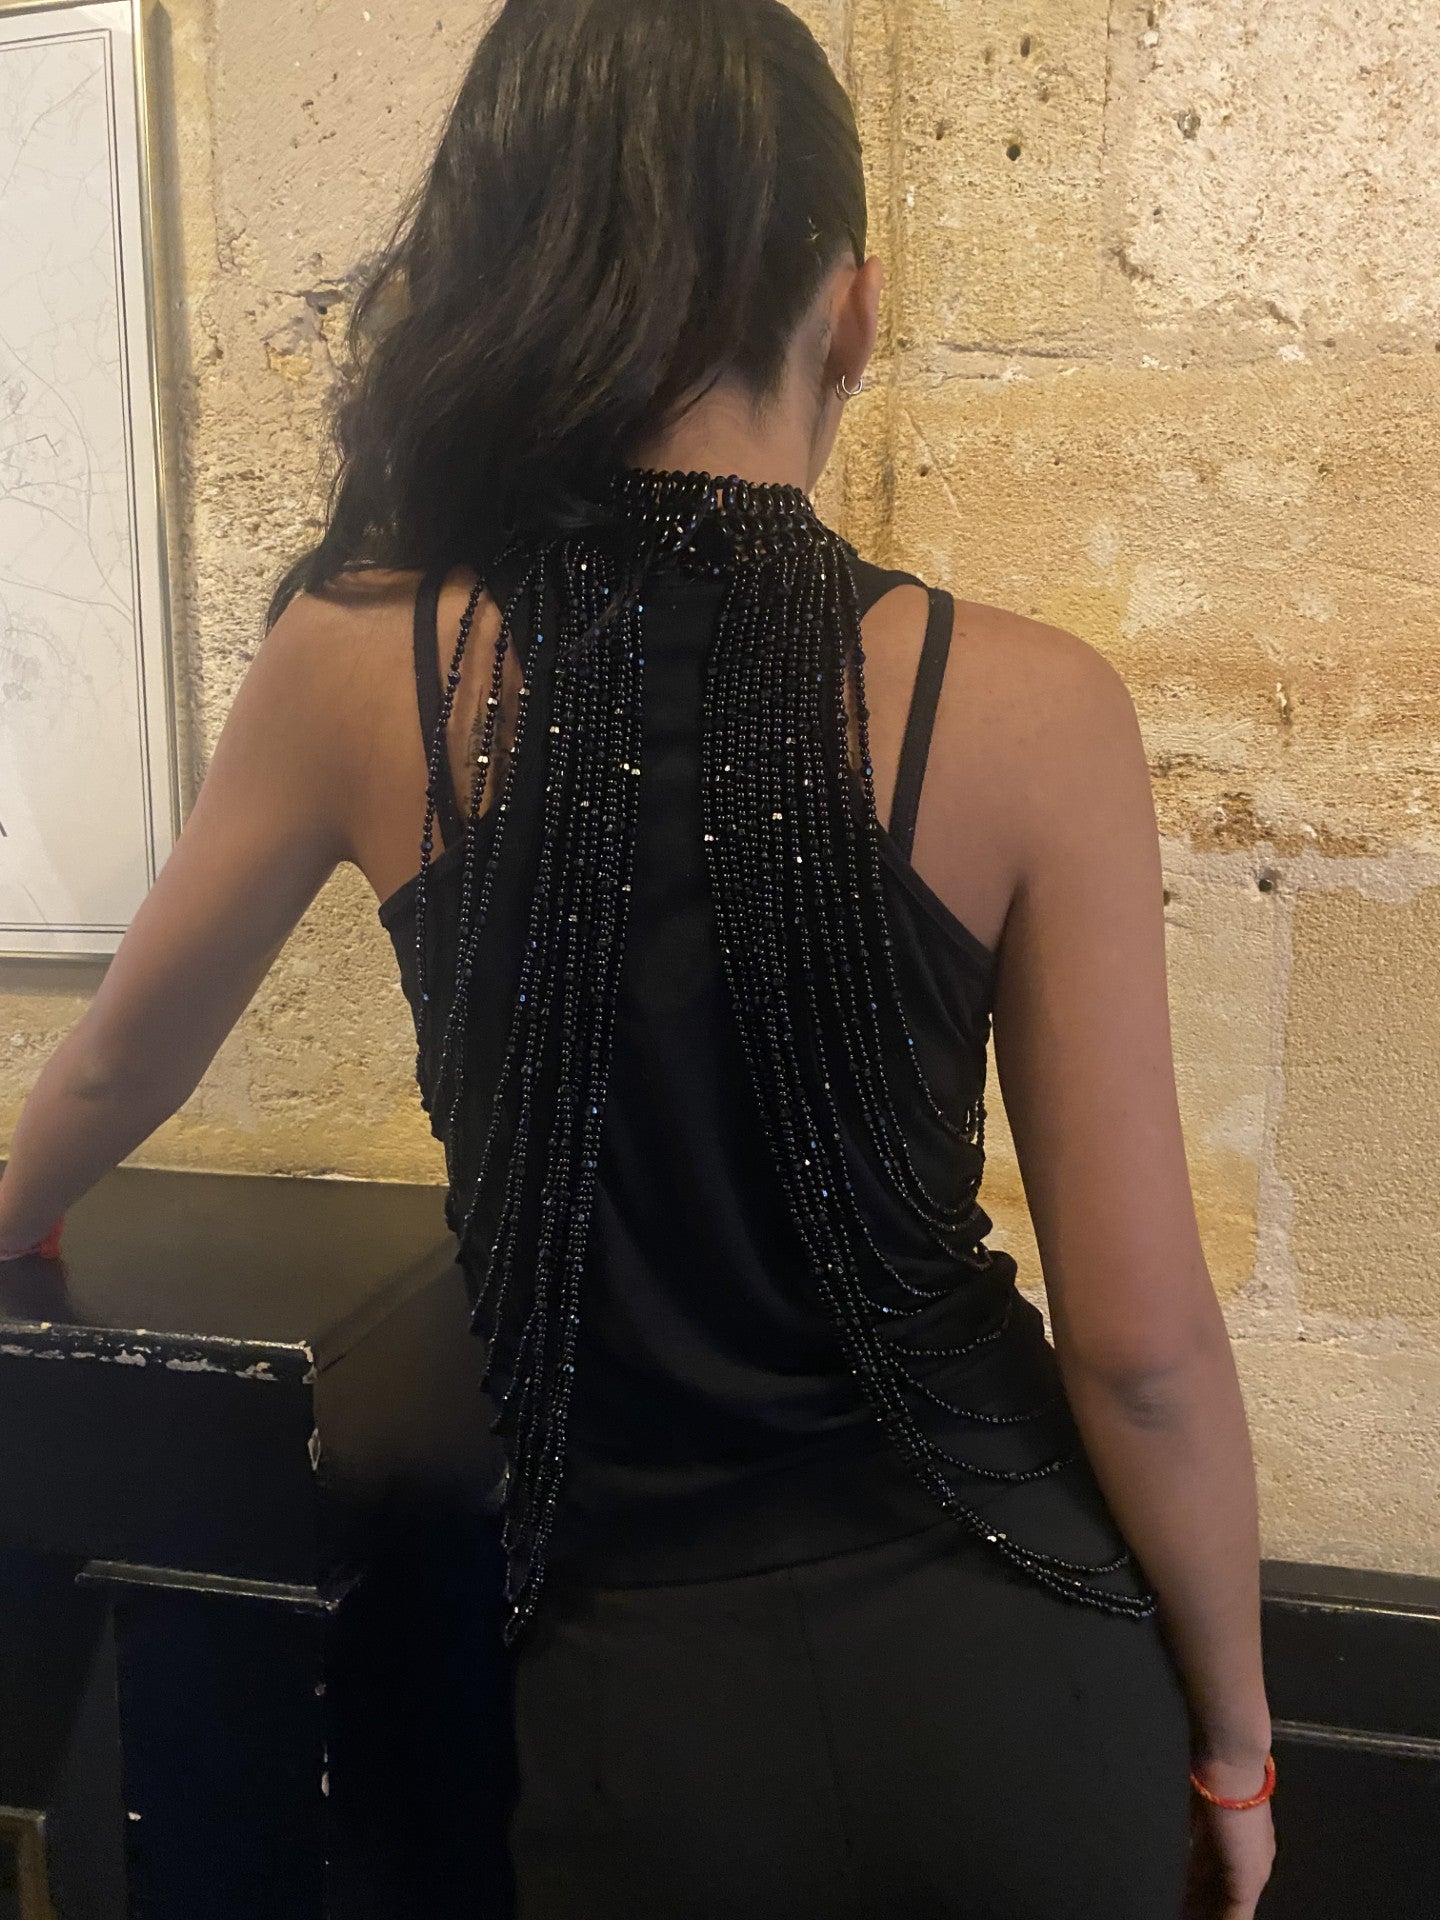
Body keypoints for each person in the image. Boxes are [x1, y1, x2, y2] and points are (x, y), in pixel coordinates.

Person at [0, 1, 1277, 1914]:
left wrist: (14, 1205)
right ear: (850, 312)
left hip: (647, 1721)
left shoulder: (356, 666)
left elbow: (121, 1057)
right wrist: (1240, 1746)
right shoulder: (1031, 705)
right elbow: (1145, 1351)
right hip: (1020, 1667)